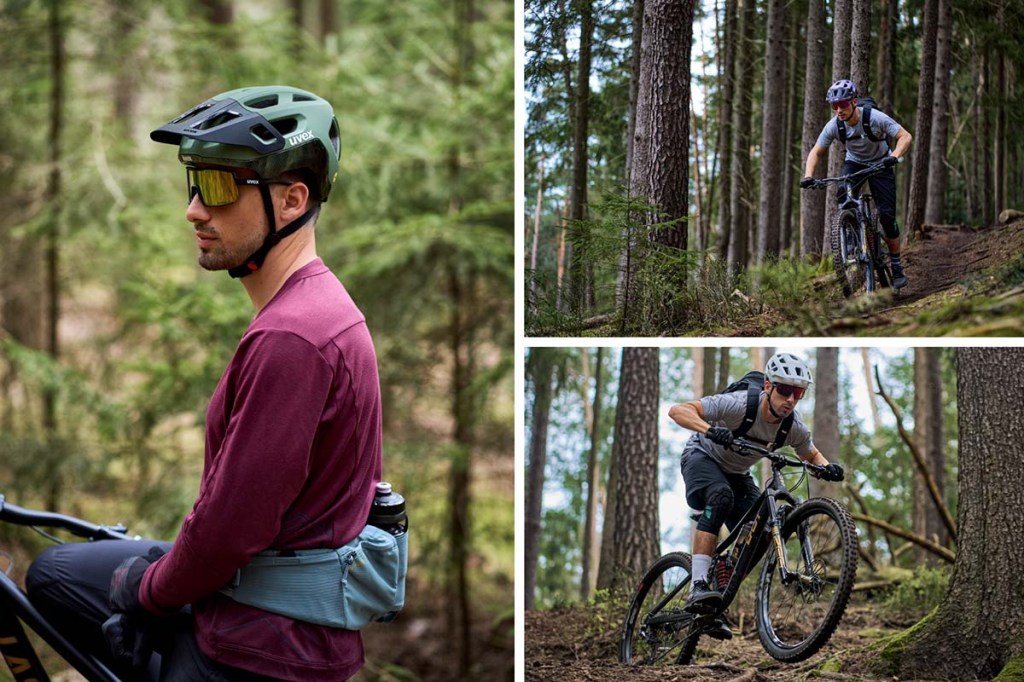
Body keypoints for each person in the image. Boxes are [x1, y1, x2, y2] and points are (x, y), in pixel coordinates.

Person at [27, 85, 383, 681]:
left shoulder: (293, 337)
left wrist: (150, 596)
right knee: (53, 572)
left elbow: (229, 529)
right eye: (192, 184)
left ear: (292, 200)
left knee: (91, 587)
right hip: (276, 610)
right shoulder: (315, 307)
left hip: (263, 648)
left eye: (217, 186)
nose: (194, 209)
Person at [667, 352, 844, 636]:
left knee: (761, 531)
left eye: (798, 393)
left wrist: (828, 468)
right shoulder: (738, 404)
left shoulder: (793, 427)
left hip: (738, 475)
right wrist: (711, 430)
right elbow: (678, 410)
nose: (790, 399)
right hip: (701, 455)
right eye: (784, 390)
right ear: (768, 387)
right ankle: (698, 585)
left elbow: (810, 453)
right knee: (720, 496)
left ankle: (720, 584)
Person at [800, 79, 913, 289]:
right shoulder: (835, 125)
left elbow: (905, 136)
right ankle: (850, 235)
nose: (838, 110)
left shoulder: (874, 118)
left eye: (843, 104)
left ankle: (896, 265)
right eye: (834, 106)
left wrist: (894, 156)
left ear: (854, 102)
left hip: (881, 164)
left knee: (887, 216)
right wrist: (808, 176)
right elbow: (816, 150)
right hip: (855, 163)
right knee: (843, 192)